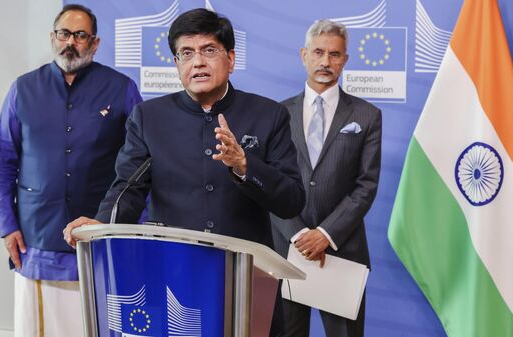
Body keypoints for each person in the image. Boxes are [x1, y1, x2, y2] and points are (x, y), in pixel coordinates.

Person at [64, 8, 305, 336]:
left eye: (209, 50)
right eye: (186, 53)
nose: (198, 62)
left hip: (249, 279)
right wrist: (103, 225)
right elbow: (128, 188)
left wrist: (245, 165)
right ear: (177, 63)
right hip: (175, 281)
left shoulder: (268, 114)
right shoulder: (149, 117)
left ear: (231, 59)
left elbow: (291, 201)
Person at [0, 4, 142, 337]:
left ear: (95, 43)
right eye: (64, 33)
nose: (70, 42)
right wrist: (6, 225)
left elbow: (140, 164)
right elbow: (2, 162)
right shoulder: (23, 88)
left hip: (99, 234)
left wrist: (132, 228)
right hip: (35, 236)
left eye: (80, 35)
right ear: (52, 37)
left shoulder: (121, 88)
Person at [270, 20, 382, 337]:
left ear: (345, 59)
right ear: (304, 55)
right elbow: (268, 184)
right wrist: (298, 234)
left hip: (342, 251)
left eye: (334, 54)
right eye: (318, 52)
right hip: (286, 252)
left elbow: (366, 185)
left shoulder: (367, 115)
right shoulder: (276, 114)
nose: (325, 62)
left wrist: (324, 234)